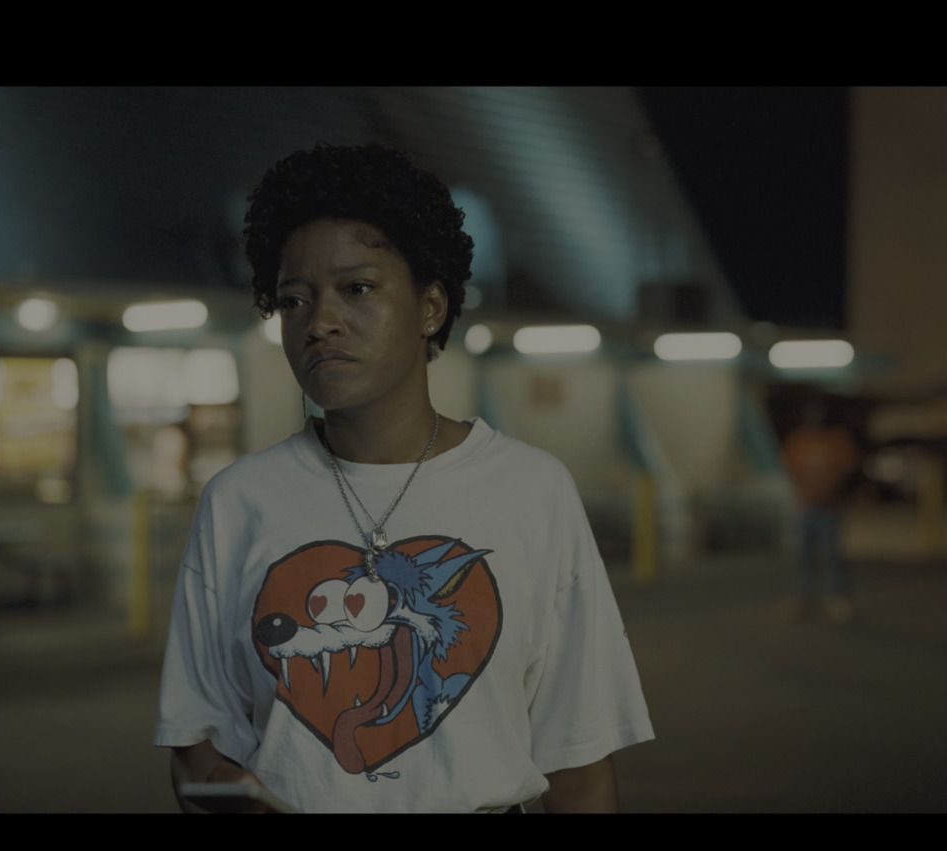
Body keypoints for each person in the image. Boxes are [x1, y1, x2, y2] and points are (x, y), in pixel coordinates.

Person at [154, 144, 654, 813]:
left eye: (356, 289)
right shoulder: (239, 502)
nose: (320, 322)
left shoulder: (532, 490)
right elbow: (193, 748)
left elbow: (580, 764)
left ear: (430, 306)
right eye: (294, 300)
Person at [781, 394, 861, 623]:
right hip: (806, 508)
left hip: (831, 508)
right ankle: (802, 597)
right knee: (803, 555)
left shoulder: (837, 439)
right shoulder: (798, 440)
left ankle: (838, 599)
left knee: (833, 555)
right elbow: (792, 472)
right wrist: (804, 496)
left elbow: (846, 471)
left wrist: (826, 492)